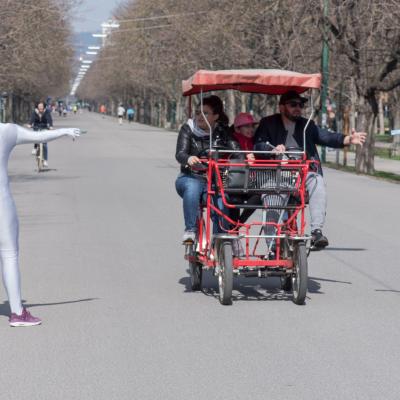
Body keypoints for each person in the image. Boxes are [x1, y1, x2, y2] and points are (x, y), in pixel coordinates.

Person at [254, 90, 366, 249]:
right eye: (293, 104)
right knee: (272, 199)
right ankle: (272, 246)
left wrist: (347, 139)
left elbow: (326, 136)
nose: (298, 108)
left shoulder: (307, 125)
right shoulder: (268, 123)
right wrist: (271, 150)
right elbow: (258, 145)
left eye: (300, 105)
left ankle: (316, 232)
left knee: (317, 181)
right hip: (275, 174)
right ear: (281, 107)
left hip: (302, 174)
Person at [0, 123, 80, 326]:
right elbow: (40, 136)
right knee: (9, 253)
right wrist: (64, 131)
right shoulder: (7, 130)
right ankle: (17, 312)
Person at [175, 95, 239, 243]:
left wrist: (244, 154)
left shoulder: (222, 130)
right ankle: (190, 230)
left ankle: (220, 240)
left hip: (216, 179)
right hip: (190, 176)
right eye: (198, 112)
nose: (199, 116)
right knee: (193, 188)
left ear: (216, 116)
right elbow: (180, 153)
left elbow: (235, 149)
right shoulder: (188, 129)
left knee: (223, 201)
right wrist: (188, 159)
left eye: (205, 113)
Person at [229, 112, 261, 226]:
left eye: (252, 126)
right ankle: (233, 228)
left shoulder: (253, 142)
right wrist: (245, 157)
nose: (251, 129)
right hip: (234, 180)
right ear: (238, 129)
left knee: (259, 195)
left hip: (250, 181)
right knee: (234, 199)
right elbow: (232, 156)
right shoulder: (233, 141)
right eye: (247, 126)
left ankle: (240, 222)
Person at [28, 101, 53, 167]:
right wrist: (30, 124)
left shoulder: (46, 111)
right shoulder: (35, 112)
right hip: (36, 126)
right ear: (37, 107)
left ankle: (45, 160)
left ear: (44, 107)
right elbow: (32, 118)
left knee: (44, 144)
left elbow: (49, 119)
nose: (40, 107)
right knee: (35, 136)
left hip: (44, 127)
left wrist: (50, 126)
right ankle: (35, 147)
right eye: (39, 106)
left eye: (42, 106)